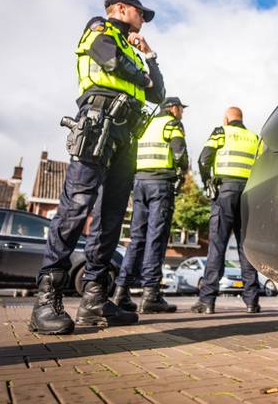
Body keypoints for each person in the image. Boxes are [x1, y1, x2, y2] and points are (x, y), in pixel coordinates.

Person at [29, 0, 165, 334]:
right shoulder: (99, 29)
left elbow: (157, 95)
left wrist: (150, 57)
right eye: (140, 13)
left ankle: (94, 299)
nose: (143, 20)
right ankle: (45, 301)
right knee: (76, 206)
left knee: (111, 217)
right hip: (97, 122)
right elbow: (110, 61)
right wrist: (141, 74)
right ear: (120, 9)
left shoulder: (132, 47)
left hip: (124, 133)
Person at [111, 97, 189, 314]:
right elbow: (179, 151)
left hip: (139, 184)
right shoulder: (172, 124)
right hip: (160, 184)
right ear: (173, 108)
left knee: (137, 239)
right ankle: (151, 295)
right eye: (181, 108)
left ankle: (121, 292)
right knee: (156, 237)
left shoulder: (146, 125)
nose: (182, 113)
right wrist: (183, 171)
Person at [191, 107, 263, 314]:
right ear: (242, 118)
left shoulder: (221, 132)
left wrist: (207, 182)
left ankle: (207, 301)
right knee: (245, 247)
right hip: (248, 193)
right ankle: (252, 302)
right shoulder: (254, 137)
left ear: (226, 119)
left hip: (225, 191)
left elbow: (204, 159)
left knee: (217, 244)